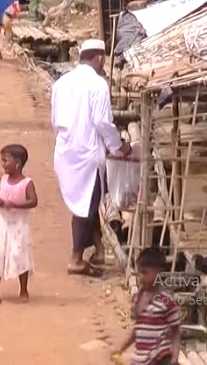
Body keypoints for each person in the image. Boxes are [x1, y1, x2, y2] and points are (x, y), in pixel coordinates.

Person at [51, 39, 131, 276]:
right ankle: (76, 259)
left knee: (87, 200)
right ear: (100, 58)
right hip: (88, 153)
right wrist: (118, 147)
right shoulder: (98, 84)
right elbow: (102, 122)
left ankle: (98, 250)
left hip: (66, 151)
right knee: (85, 205)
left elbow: (55, 120)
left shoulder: (62, 82)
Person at [0, 143, 37, 304]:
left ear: (18, 164)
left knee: (20, 255)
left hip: (19, 226)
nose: (3, 165)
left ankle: (23, 289)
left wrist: (15, 205)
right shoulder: (2, 180)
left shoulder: (27, 183)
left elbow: (33, 201)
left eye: (6, 161)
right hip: (1, 225)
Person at [113, 247, 182, 365]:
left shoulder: (167, 300)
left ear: (159, 273)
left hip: (160, 356)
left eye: (145, 272)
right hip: (141, 358)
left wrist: (175, 356)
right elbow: (138, 329)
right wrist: (121, 347)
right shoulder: (137, 298)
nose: (141, 277)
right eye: (140, 272)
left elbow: (175, 332)